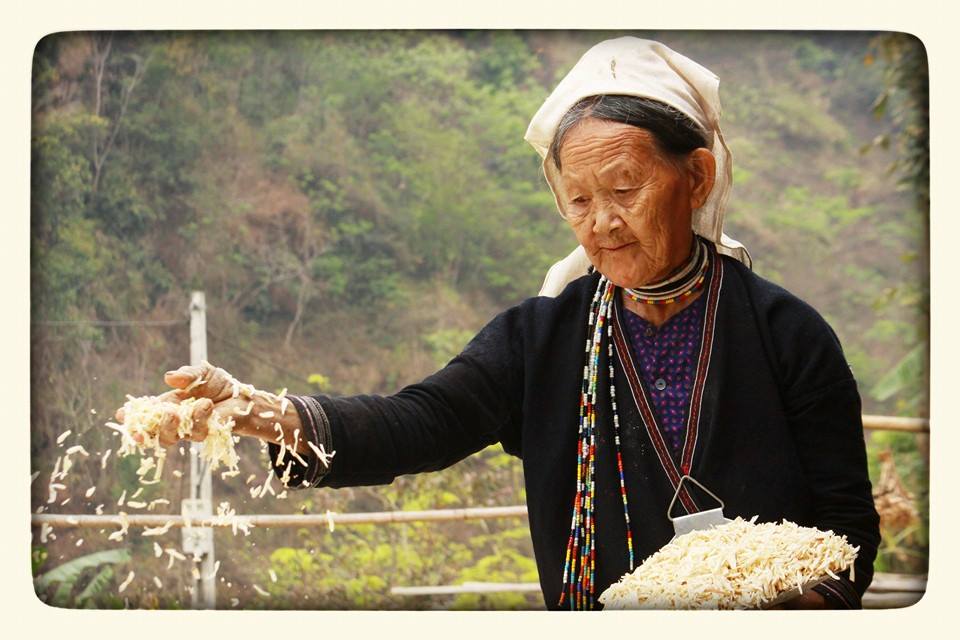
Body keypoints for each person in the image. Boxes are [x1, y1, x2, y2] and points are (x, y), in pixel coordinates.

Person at [118, 37, 880, 610]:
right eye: (578, 200)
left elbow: (846, 528)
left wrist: (795, 608)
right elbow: (421, 422)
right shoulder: (541, 339)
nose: (601, 222)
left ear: (697, 177)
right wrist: (257, 411)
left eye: (624, 190)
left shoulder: (786, 334)